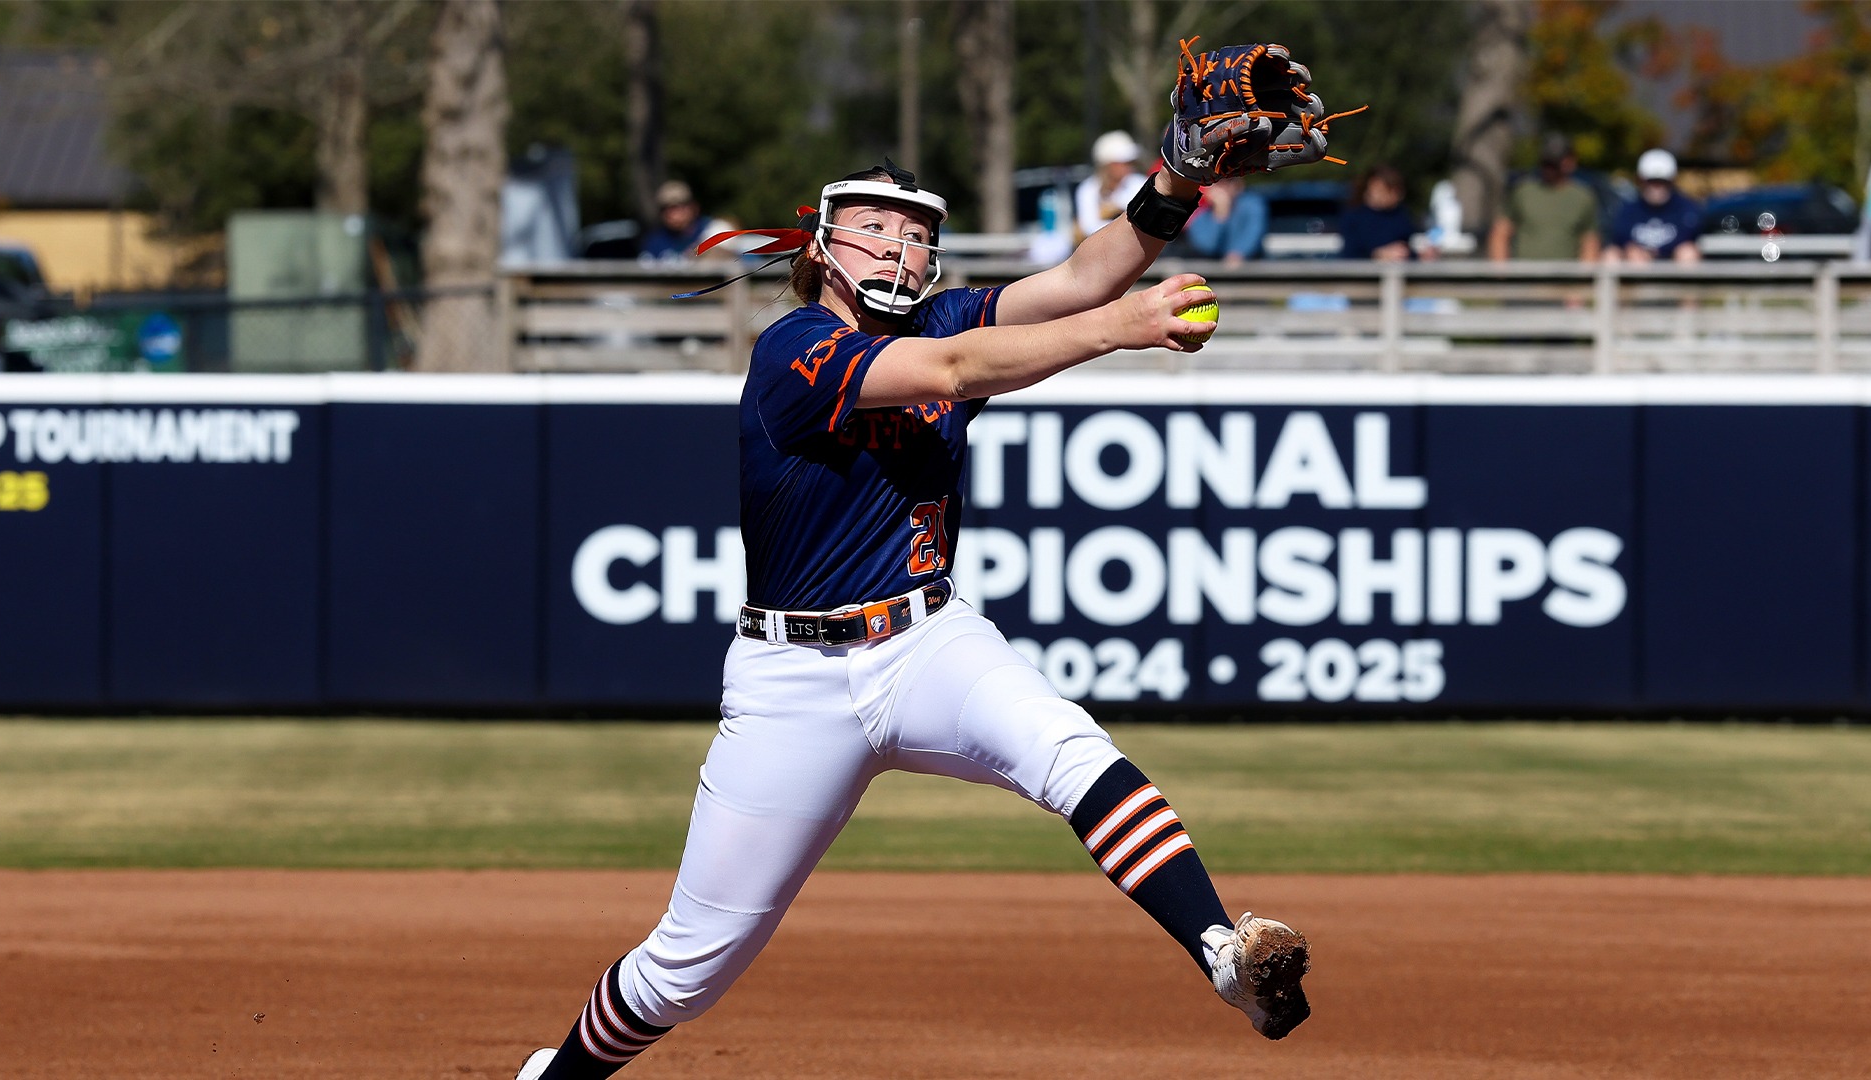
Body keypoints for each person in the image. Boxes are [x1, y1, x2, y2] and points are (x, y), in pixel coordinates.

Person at [513, 42, 1325, 1080]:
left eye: (917, 232)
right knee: (688, 969)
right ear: (822, 244)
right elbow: (956, 367)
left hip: (929, 638)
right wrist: (1116, 330)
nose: (901, 245)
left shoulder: (941, 308)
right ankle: (563, 1075)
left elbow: (1084, 272)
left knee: (1071, 752)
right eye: (878, 226)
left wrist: (1175, 177)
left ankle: (1224, 953)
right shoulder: (794, 349)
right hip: (794, 679)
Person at [1488, 134, 1600, 262]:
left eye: (1554, 164)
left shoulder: (1583, 197)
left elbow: (1589, 241)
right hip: (1525, 276)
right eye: (1546, 163)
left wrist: (1584, 279)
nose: (1549, 169)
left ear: (1571, 162)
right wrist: (1501, 274)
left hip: (1566, 278)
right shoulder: (1523, 192)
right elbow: (1501, 232)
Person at [1605, 149, 1702, 264]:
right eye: (1651, 181)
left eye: (1662, 182)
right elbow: (1620, 238)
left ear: (1671, 182)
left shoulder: (1687, 210)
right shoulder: (1628, 210)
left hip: (1672, 265)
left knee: (1688, 253)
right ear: (1641, 181)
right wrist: (1633, 250)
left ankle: (1684, 283)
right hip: (1635, 266)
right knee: (1611, 255)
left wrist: (1654, 252)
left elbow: (1689, 237)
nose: (1656, 187)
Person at [1338, 164, 1433, 261]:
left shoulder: (1401, 215)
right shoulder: (1354, 217)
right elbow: (1351, 254)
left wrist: (1420, 255)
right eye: (1390, 190)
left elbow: (1407, 247)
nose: (1397, 196)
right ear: (1372, 187)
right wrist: (1377, 255)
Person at [1072, 129, 1148, 242]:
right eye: (1123, 162)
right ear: (1108, 165)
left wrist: (1112, 209)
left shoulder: (1140, 183)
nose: (1129, 166)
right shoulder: (1088, 189)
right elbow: (1087, 228)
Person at [638, 180, 735, 262]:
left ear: (693, 207)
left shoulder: (714, 229)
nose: (673, 214)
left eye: (679, 207)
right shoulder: (655, 241)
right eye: (667, 209)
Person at [1184, 177, 1268, 264]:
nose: (1223, 187)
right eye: (1217, 182)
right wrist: (1220, 214)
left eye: (1229, 181)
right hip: (1211, 268)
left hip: (1250, 267)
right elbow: (1207, 246)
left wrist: (1238, 254)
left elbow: (1253, 233)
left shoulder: (1252, 204)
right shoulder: (1201, 209)